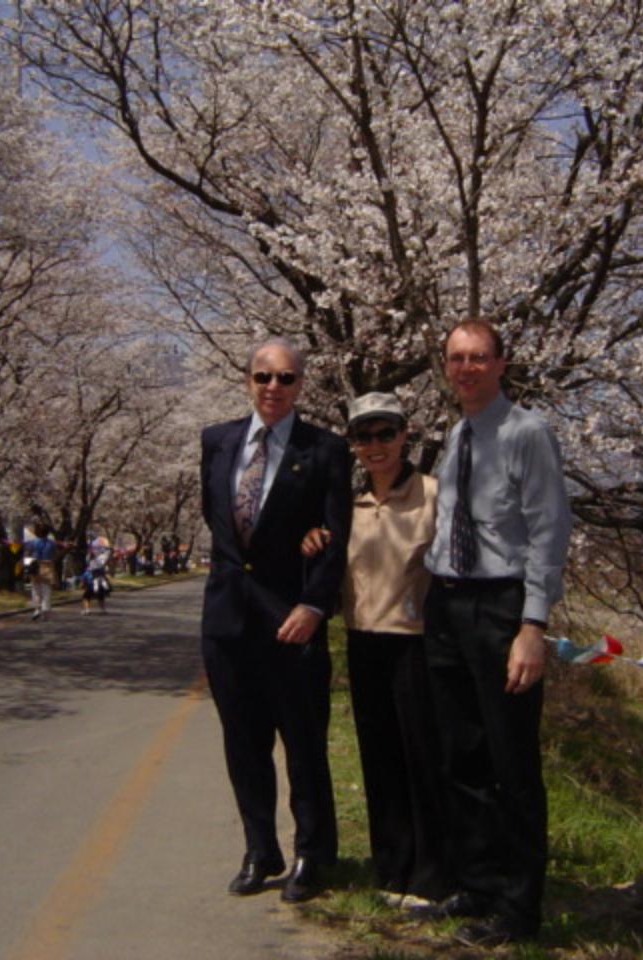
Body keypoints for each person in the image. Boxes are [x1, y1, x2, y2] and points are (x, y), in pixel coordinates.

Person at [419, 319, 572, 947]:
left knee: (511, 761)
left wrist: (532, 624)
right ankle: (478, 883)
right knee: (463, 755)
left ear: (502, 363)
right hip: (448, 605)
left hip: (501, 608)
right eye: (457, 358)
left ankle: (519, 904)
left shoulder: (526, 433)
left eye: (479, 357)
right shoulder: (457, 434)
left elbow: (548, 530)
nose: (467, 368)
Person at [199, 337, 352, 904]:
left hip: (293, 621)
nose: (273, 388)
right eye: (263, 376)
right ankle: (260, 848)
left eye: (285, 379)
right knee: (244, 743)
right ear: (248, 379)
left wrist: (314, 604)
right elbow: (220, 523)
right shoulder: (217, 441)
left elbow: (336, 536)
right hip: (227, 620)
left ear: (301, 386)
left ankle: (314, 852)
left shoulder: (325, 449)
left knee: (304, 743)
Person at [302, 392, 448, 908]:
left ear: (405, 434)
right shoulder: (348, 504)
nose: (375, 445)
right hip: (363, 643)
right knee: (380, 760)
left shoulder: (434, 494)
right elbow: (329, 555)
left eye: (385, 433)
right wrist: (315, 539)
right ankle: (392, 868)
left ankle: (432, 876)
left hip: (416, 646)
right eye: (364, 436)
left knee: (422, 761)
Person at [25, 523, 57, 621]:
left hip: (35, 566)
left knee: (35, 589)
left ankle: (37, 609)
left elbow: (28, 553)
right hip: (47, 566)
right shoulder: (52, 543)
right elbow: (54, 555)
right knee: (46, 590)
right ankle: (45, 612)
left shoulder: (32, 542)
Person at [81, 536, 112, 615]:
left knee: (88, 595)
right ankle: (99, 609)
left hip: (94, 578)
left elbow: (97, 564)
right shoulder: (101, 557)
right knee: (96, 595)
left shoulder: (100, 557)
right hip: (96, 577)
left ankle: (90, 610)